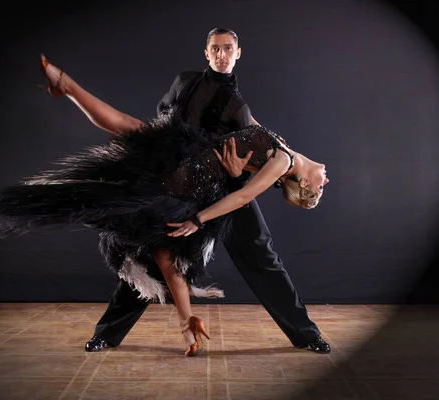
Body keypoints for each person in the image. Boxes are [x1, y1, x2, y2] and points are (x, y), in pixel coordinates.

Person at [77, 28, 332, 354]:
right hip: (187, 187)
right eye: (217, 48)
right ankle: (107, 333)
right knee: (154, 259)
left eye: (229, 49)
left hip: (228, 193)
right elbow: (173, 125)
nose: (222, 54)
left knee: (264, 262)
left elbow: (258, 157)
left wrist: (237, 172)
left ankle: (307, 334)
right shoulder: (186, 84)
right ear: (207, 52)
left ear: (238, 53)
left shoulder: (239, 107)